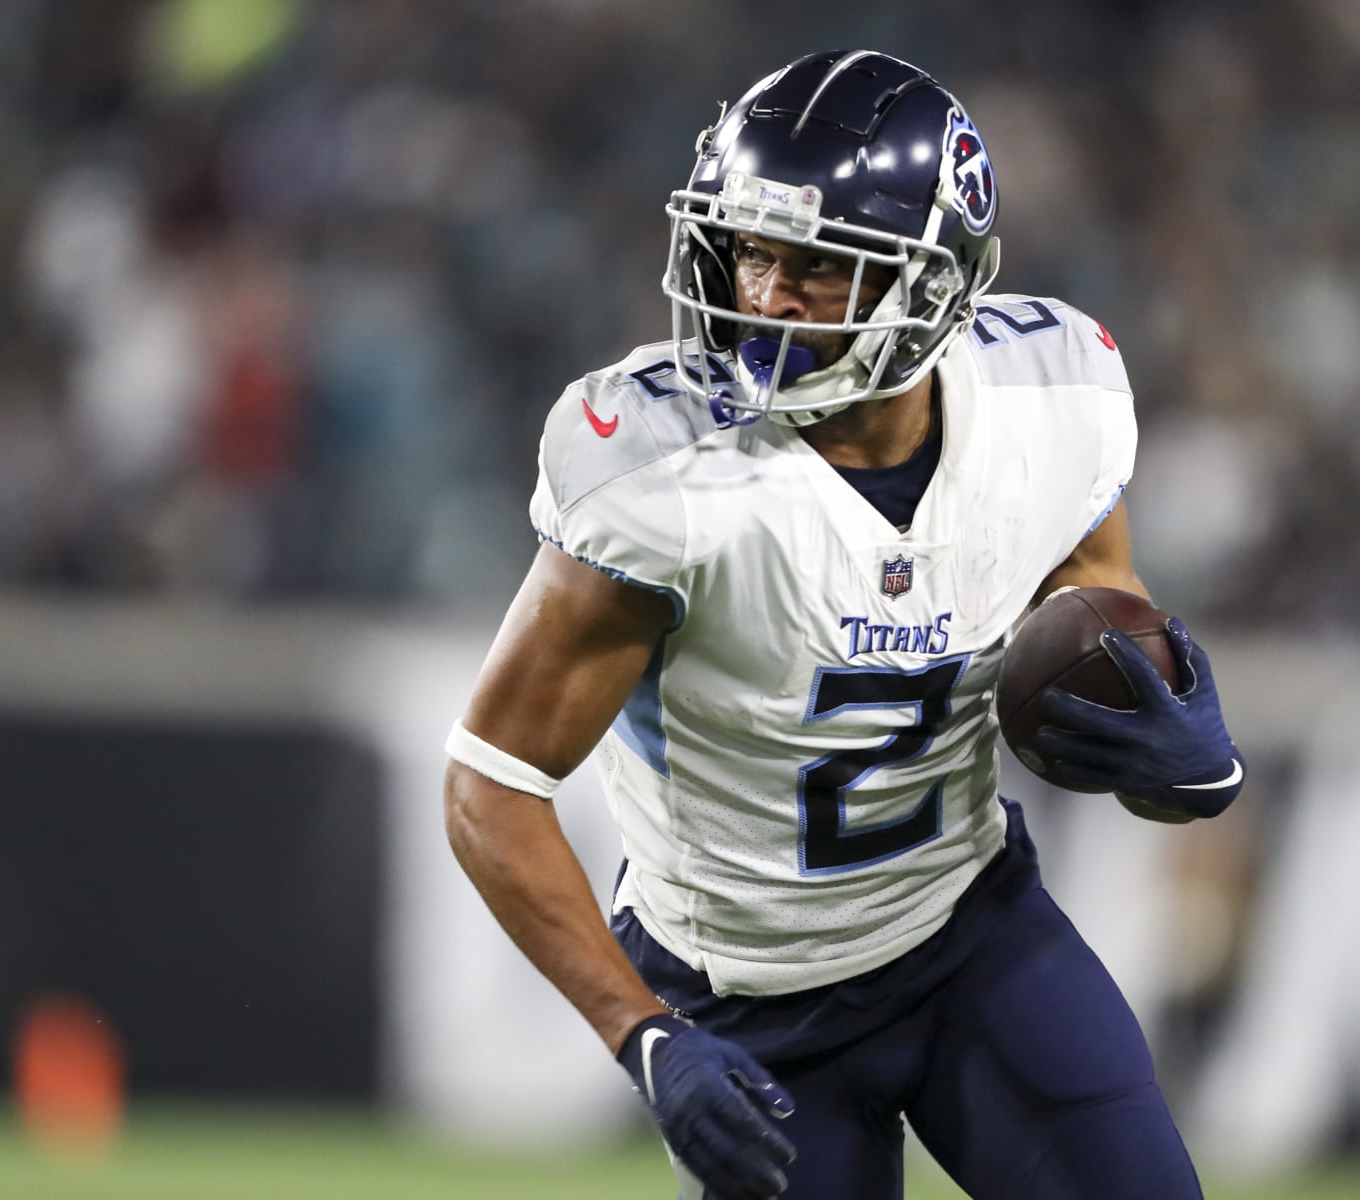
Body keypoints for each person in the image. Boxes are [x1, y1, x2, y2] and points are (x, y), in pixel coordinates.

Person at [444, 49, 1245, 1200]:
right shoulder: (663, 476)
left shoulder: (1049, 399)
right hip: (746, 1003)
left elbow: (1100, 624)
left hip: (972, 937)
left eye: (820, 264)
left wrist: (1179, 756)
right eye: (751, 250)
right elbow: (489, 783)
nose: (765, 297)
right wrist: (643, 1032)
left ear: (935, 285)